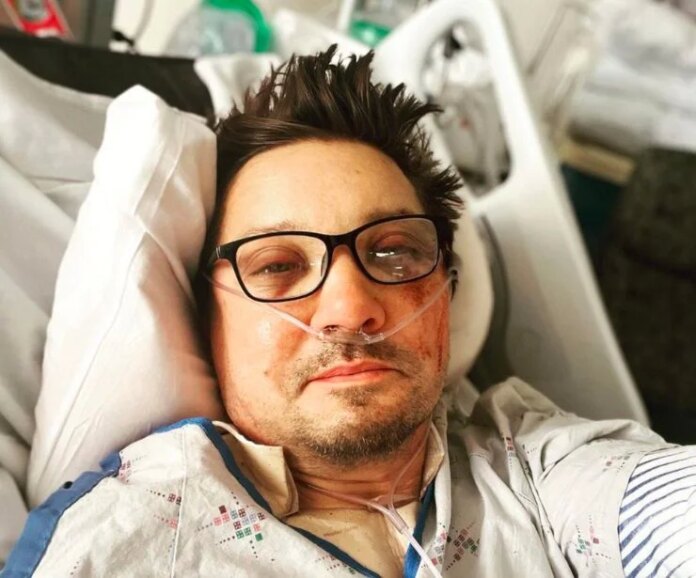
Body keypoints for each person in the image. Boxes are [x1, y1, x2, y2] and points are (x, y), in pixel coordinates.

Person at [4, 46, 695, 578]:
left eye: (393, 254)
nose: (350, 307)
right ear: (209, 315)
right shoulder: (125, 534)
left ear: (446, 294)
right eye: (278, 266)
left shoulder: (534, 472)